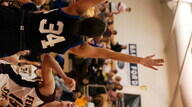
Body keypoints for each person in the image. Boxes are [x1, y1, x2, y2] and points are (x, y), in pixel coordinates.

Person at [0, 0, 164, 70]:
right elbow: (108, 54)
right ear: (90, 38)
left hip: (14, 18)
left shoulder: (73, 11)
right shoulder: (77, 46)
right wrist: (139, 60)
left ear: (89, 17)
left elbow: (93, 1)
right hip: (13, 42)